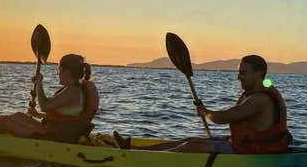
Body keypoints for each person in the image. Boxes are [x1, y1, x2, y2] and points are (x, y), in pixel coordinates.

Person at [114, 55, 290, 153]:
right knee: (188, 139)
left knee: (191, 146)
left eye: (243, 73)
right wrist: (205, 111)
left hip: (251, 151)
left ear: (258, 74)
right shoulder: (262, 90)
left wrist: (205, 112)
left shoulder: (260, 99)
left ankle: (139, 157)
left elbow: (222, 118)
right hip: (245, 144)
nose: (238, 77)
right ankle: (133, 148)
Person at [0, 54, 99, 143]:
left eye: (59, 70)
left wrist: (39, 83)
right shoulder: (77, 88)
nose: (57, 74)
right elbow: (65, 117)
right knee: (17, 115)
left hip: (54, 138)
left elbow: (45, 105)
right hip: (57, 132)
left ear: (66, 71)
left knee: (4, 122)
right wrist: (38, 115)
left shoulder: (72, 90)